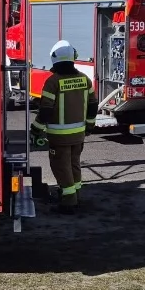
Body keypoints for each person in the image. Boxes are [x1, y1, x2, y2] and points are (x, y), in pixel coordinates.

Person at [30, 40, 98, 213]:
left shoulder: (53, 82)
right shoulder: (85, 79)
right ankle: (76, 194)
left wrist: (35, 130)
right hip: (79, 135)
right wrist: (89, 125)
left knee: (61, 166)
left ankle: (68, 201)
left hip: (59, 137)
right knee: (74, 164)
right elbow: (92, 105)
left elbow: (45, 110)